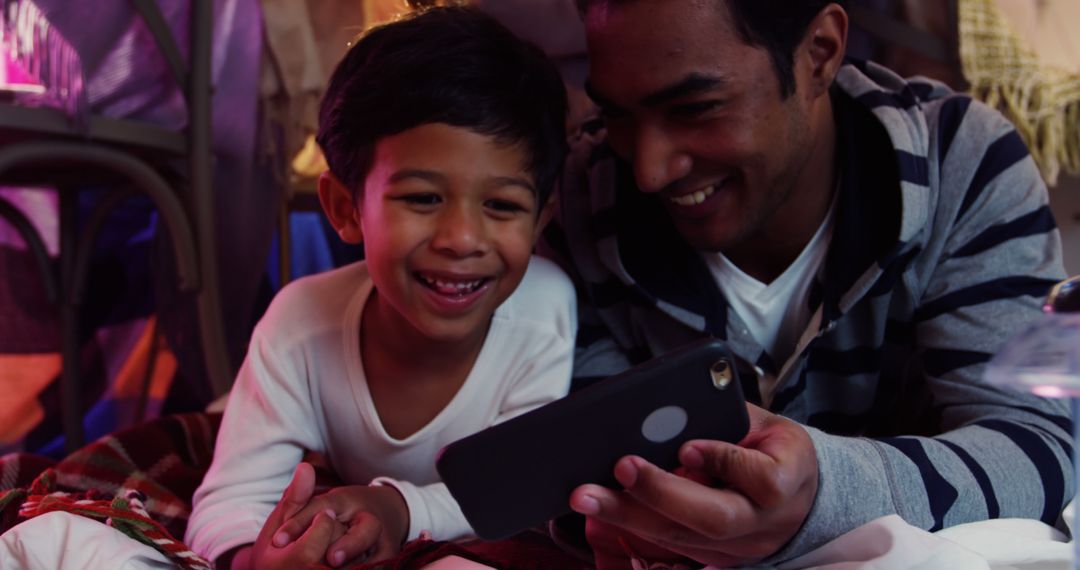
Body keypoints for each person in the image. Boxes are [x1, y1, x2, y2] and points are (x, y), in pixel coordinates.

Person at [544, 0, 1073, 567]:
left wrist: (825, 491)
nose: (648, 170)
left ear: (819, 53)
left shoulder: (962, 164)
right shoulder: (581, 193)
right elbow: (571, 476)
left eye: (695, 108)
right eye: (620, 114)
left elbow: (1039, 448)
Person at [184, 7, 575, 569]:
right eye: (422, 198)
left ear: (540, 221)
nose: (463, 239)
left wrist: (397, 510)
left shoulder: (545, 311)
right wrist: (254, 558)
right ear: (346, 209)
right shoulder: (300, 322)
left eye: (502, 205)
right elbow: (230, 501)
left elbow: (517, 488)